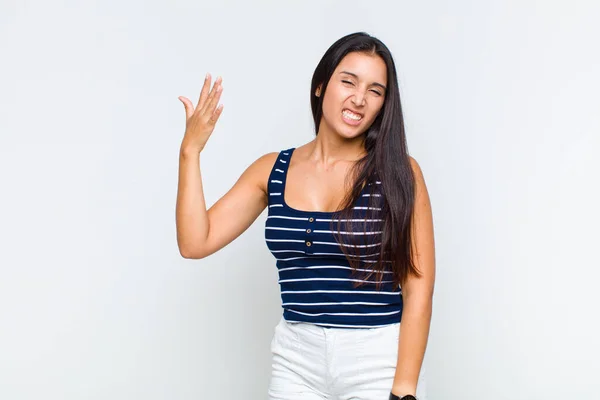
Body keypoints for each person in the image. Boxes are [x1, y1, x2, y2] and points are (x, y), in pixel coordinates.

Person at [175, 32, 435, 400]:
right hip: (296, 359)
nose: (359, 99)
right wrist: (190, 152)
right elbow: (194, 242)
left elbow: (418, 288)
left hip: (377, 359)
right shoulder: (272, 170)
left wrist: (404, 389)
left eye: (375, 91)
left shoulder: (400, 173)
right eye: (348, 81)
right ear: (320, 86)